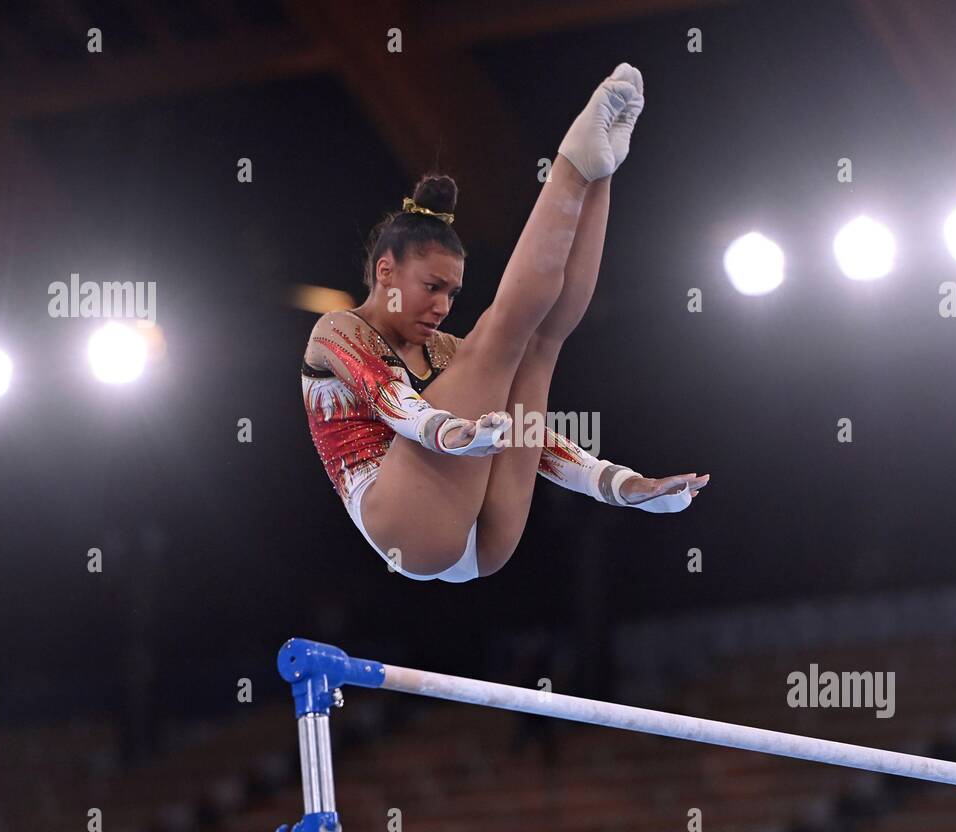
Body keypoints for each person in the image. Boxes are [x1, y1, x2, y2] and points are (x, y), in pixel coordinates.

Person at [302, 63, 709, 582]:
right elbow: (390, 400)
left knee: (540, 344)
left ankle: (600, 174)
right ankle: (571, 166)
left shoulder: (445, 352)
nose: (444, 307)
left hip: (483, 543)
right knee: (499, 338)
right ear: (386, 272)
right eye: (432, 288)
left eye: (452, 293)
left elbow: (528, 435)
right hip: (407, 528)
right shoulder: (339, 331)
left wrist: (620, 485)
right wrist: (454, 435)